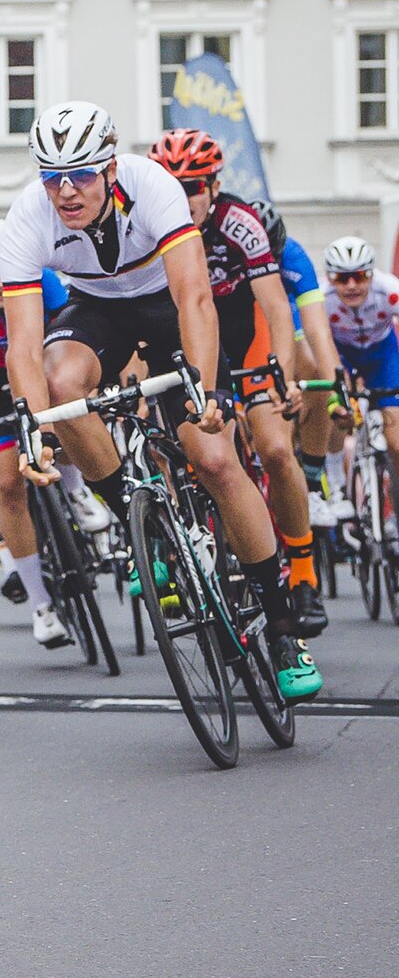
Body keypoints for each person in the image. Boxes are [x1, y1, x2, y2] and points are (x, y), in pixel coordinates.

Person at [0, 103, 319, 701]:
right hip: (98, 309)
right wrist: (34, 427)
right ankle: (139, 518)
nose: (65, 191)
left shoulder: (154, 189)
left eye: (82, 175)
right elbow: (22, 345)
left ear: (111, 169)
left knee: (217, 460)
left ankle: (281, 628)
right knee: (61, 384)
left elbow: (196, 298)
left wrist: (205, 387)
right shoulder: (25, 218)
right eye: (52, 177)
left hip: (171, 306)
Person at [148, 130, 324, 638]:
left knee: (273, 448)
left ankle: (305, 571)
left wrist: (281, 376)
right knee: (169, 445)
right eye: (173, 186)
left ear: (215, 184)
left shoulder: (239, 223)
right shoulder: (150, 229)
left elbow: (274, 305)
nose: (185, 199)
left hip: (245, 341)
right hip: (189, 342)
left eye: (195, 187)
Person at [0, 221, 102, 647]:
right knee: (7, 481)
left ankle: (78, 492)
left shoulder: (45, 284)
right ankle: (41, 605)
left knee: (62, 419)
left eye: (4, 271)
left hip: (38, 371)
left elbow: (76, 344)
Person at [250, 198, 349, 527]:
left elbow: (318, 330)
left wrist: (336, 388)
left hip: (283, 321)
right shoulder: (222, 251)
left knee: (313, 369)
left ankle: (312, 482)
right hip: (242, 324)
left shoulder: (293, 254)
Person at [321, 235, 399, 472]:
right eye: (342, 278)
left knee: (396, 440)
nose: (352, 285)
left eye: (360, 275)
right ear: (330, 278)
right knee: (340, 413)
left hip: (382, 355)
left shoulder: (389, 289)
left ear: (372, 274)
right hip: (342, 355)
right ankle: (335, 483)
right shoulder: (322, 298)